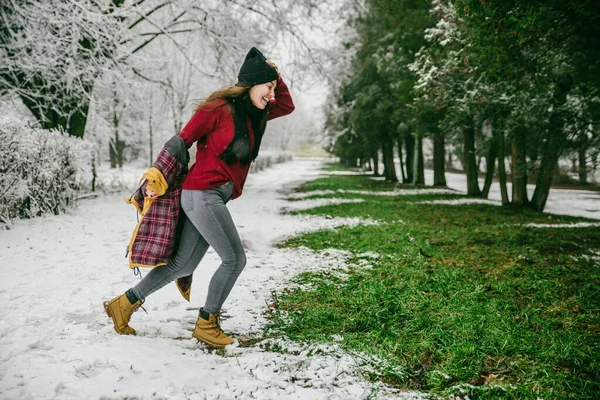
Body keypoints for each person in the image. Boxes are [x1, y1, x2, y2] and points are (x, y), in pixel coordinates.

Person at [104, 47, 295, 347]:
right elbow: (182, 140)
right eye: (267, 87)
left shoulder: (256, 114)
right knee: (234, 259)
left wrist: (275, 76)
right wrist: (156, 178)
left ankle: (123, 304)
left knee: (183, 265)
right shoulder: (218, 108)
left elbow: (286, 104)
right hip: (201, 194)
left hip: (210, 198)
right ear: (251, 83)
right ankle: (208, 322)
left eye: (272, 89)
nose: (272, 95)